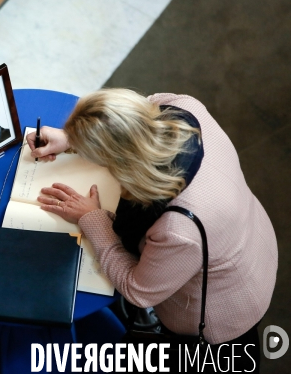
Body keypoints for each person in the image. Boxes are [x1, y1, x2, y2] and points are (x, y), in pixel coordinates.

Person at [26, 89, 277, 372]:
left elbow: (139, 290)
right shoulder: (181, 107)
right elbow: (132, 120)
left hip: (225, 309)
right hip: (250, 237)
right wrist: (74, 138)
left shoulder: (178, 229)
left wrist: (92, 218)